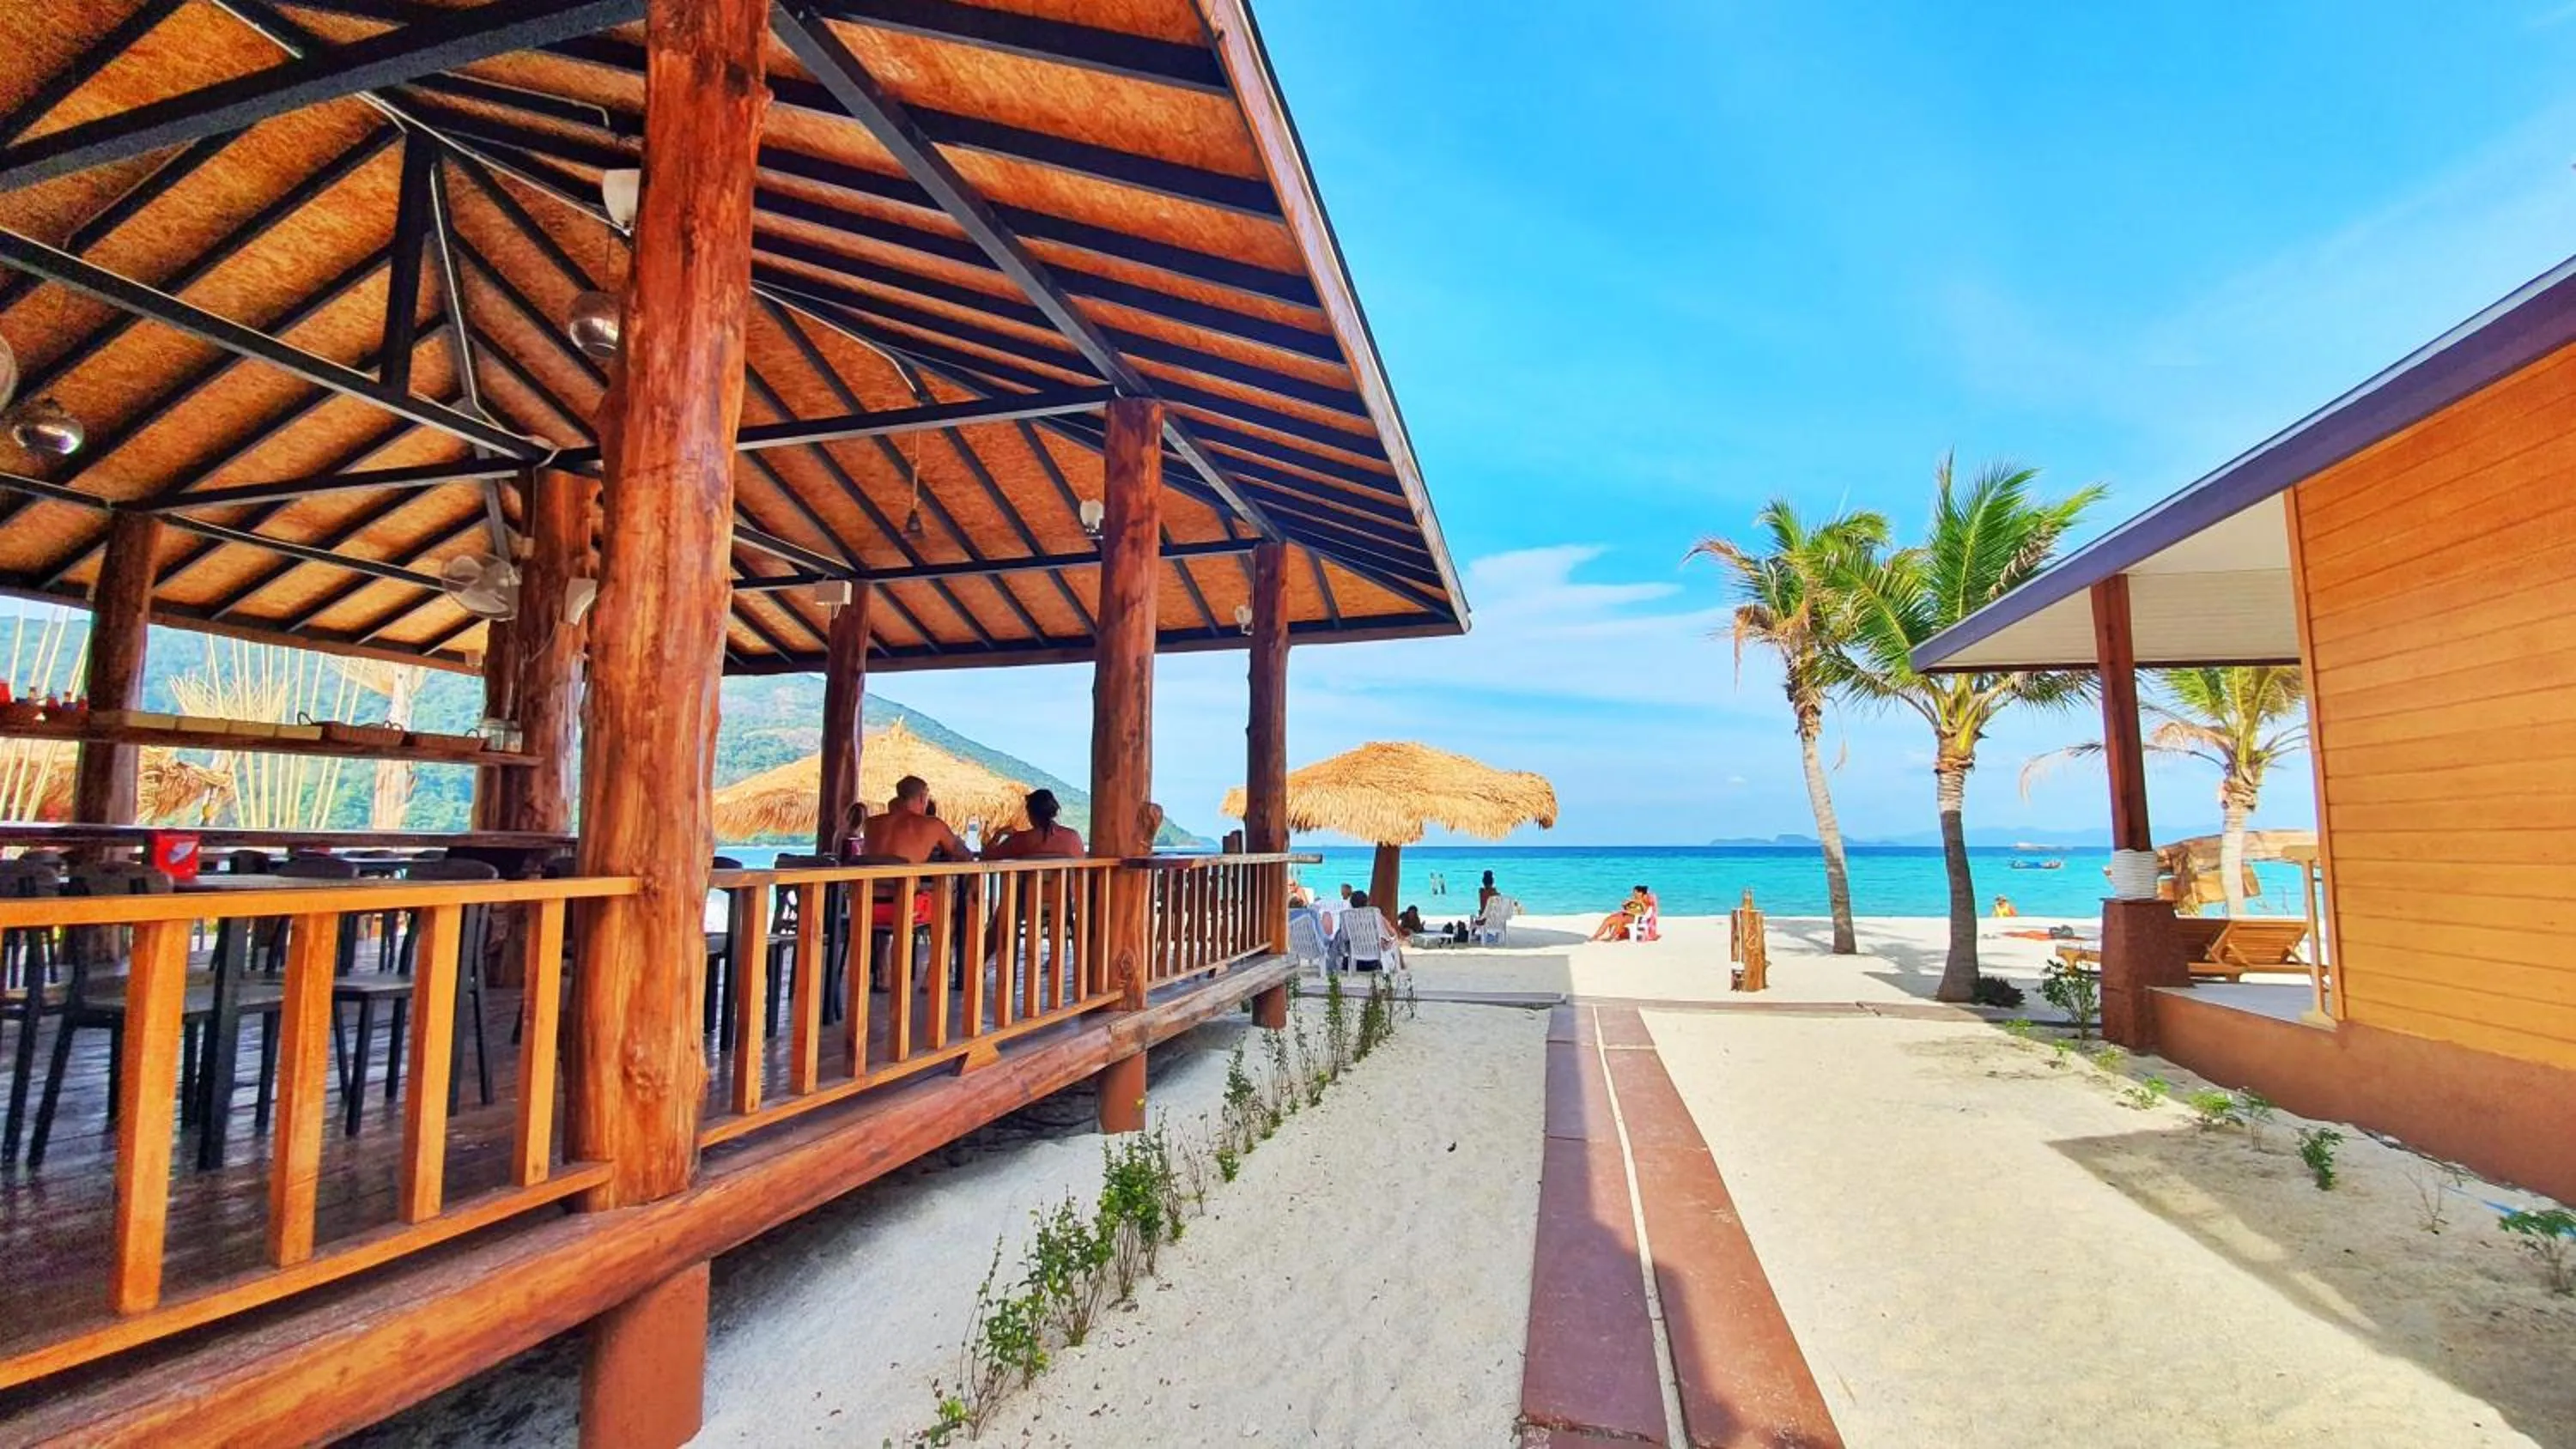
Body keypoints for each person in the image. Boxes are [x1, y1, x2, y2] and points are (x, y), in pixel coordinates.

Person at [981, 789, 1084, 860]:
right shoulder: (1073, 837)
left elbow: (986, 858)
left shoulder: (1021, 840)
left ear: (1030, 814)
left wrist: (998, 835)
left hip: (1028, 892)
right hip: (1067, 892)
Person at [1341, 889, 1399, 973]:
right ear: (1367, 903)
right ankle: (1398, 967)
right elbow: (1392, 933)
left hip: (1351, 961)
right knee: (1392, 940)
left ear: (1351, 903)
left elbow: (1344, 937)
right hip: (1373, 962)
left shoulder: (1347, 916)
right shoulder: (1375, 915)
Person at [1590, 885, 1656, 943]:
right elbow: (1626, 908)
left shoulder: (1645, 901)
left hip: (1636, 918)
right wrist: (1625, 904)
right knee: (1608, 919)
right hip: (1626, 915)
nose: (1634, 893)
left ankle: (1612, 937)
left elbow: (1643, 912)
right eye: (1633, 892)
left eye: (1635, 892)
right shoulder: (1633, 899)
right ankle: (1596, 936)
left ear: (1640, 893)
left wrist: (1635, 904)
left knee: (1620, 919)